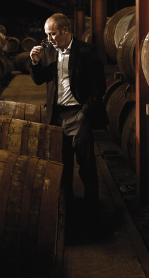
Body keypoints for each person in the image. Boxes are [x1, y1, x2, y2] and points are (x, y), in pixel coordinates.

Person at [30, 13, 108, 212]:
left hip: (78, 115)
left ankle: (92, 207)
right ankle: (67, 205)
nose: (49, 39)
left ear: (65, 30)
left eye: (52, 34)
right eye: (47, 35)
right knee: (61, 164)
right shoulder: (48, 52)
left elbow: (98, 87)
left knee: (86, 164)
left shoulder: (86, 51)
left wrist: (84, 114)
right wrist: (36, 62)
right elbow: (39, 80)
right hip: (56, 116)